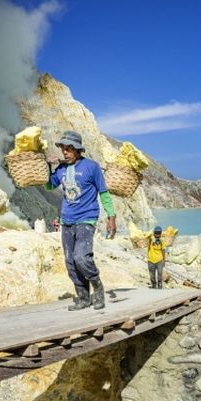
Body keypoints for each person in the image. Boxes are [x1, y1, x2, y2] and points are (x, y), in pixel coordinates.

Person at [47, 130, 117, 310]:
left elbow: (104, 193)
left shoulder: (92, 167)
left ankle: (98, 288)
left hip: (87, 218)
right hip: (67, 220)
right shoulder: (61, 169)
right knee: (70, 261)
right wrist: (47, 167)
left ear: (78, 150)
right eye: (64, 148)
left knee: (81, 257)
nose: (65, 152)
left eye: (69, 149)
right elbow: (49, 185)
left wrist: (111, 217)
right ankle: (84, 297)